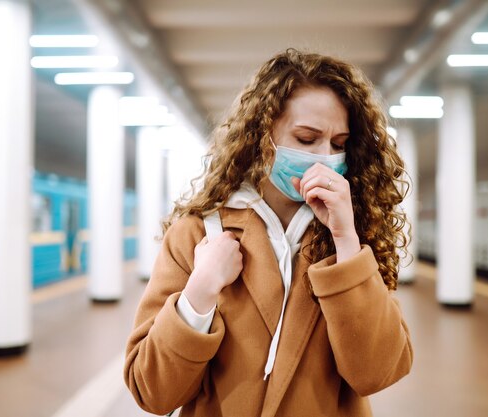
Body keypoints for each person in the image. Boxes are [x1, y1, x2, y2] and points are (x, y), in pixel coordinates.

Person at [124, 48, 413, 417]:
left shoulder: (354, 237)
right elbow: (153, 392)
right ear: (263, 134)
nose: (325, 156)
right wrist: (198, 292)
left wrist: (346, 242)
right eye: (307, 139)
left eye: (338, 144)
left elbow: (377, 372)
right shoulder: (196, 233)